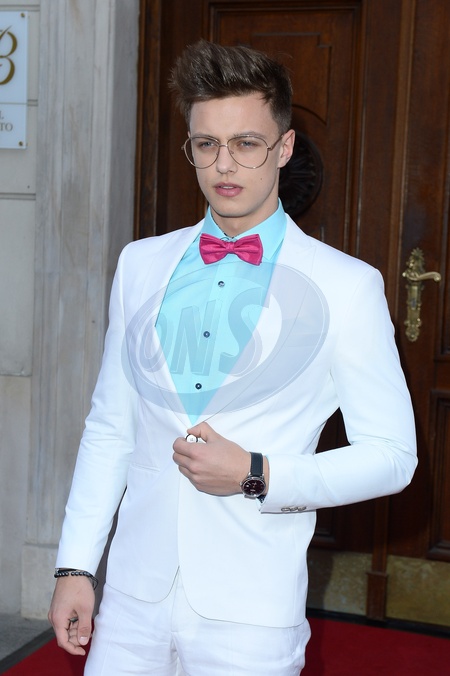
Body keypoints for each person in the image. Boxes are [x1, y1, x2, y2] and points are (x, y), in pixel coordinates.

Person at [48, 40, 417, 675]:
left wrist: (257, 473)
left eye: (247, 143)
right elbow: (110, 427)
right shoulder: (140, 265)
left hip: (251, 609)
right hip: (132, 596)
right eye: (206, 144)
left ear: (285, 147)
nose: (224, 165)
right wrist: (76, 565)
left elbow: (392, 457)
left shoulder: (346, 286)